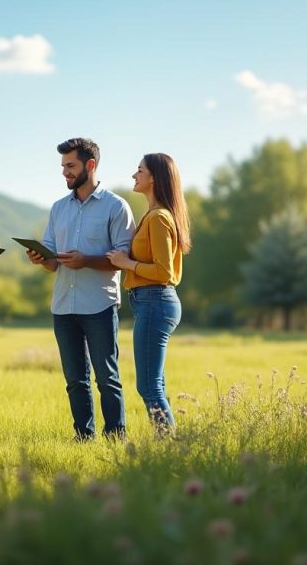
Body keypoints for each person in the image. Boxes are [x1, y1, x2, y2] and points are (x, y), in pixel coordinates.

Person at [26, 137, 135, 441]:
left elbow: (123, 260)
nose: (65, 173)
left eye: (70, 166)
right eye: (63, 167)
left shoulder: (116, 207)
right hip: (63, 306)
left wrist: (86, 260)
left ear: (90, 165)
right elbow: (52, 261)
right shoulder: (58, 208)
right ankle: (83, 436)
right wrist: (41, 259)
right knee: (75, 379)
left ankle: (116, 436)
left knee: (107, 378)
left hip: (99, 305)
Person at [107, 153, 191, 434]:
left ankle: (169, 444)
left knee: (148, 384)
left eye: (139, 170)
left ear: (153, 177)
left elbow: (164, 272)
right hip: (151, 301)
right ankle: (168, 442)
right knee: (155, 382)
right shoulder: (154, 215)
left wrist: (125, 263)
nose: (134, 175)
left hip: (156, 300)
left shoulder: (158, 218)